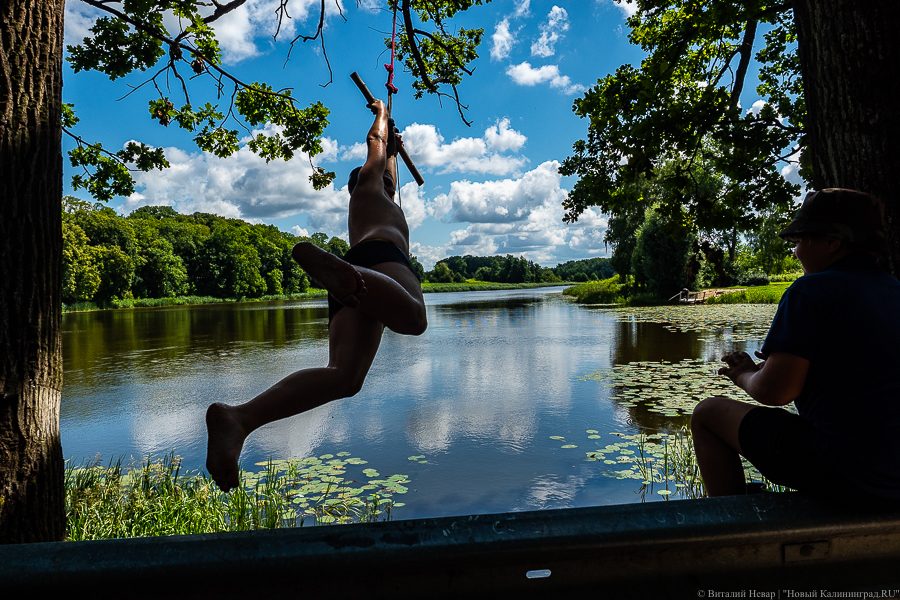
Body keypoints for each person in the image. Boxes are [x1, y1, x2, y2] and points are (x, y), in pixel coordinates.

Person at [205, 98, 427, 492]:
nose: (387, 176)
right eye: (381, 173)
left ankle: (239, 419)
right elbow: (376, 147)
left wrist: (394, 147)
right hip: (379, 261)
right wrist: (382, 116)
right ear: (362, 180)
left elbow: (387, 159)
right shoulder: (368, 187)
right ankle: (345, 274)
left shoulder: (381, 196)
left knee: (344, 377)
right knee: (413, 318)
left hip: (358, 273)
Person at [690, 188, 900, 503]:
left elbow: (775, 392)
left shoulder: (811, 290)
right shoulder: (894, 290)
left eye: (801, 240)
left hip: (848, 472)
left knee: (706, 414)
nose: (796, 252)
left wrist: (745, 374)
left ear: (833, 242)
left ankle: (732, 528)